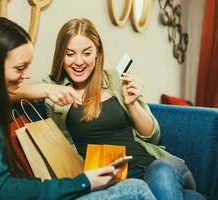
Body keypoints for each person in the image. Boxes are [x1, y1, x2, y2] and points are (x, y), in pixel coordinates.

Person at [0, 17, 157, 200]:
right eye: (20, 68)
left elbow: (1, 183)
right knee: (136, 189)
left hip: (134, 164)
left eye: (28, 67)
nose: (26, 76)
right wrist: (83, 182)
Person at [15, 18, 206, 200]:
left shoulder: (114, 79)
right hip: (115, 181)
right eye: (70, 53)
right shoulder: (54, 87)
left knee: (161, 173)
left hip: (155, 165)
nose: (79, 61)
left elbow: (153, 136)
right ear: (61, 55)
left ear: (97, 53)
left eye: (87, 53)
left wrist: (132, 104)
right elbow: (5, 91)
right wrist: (48, 89)